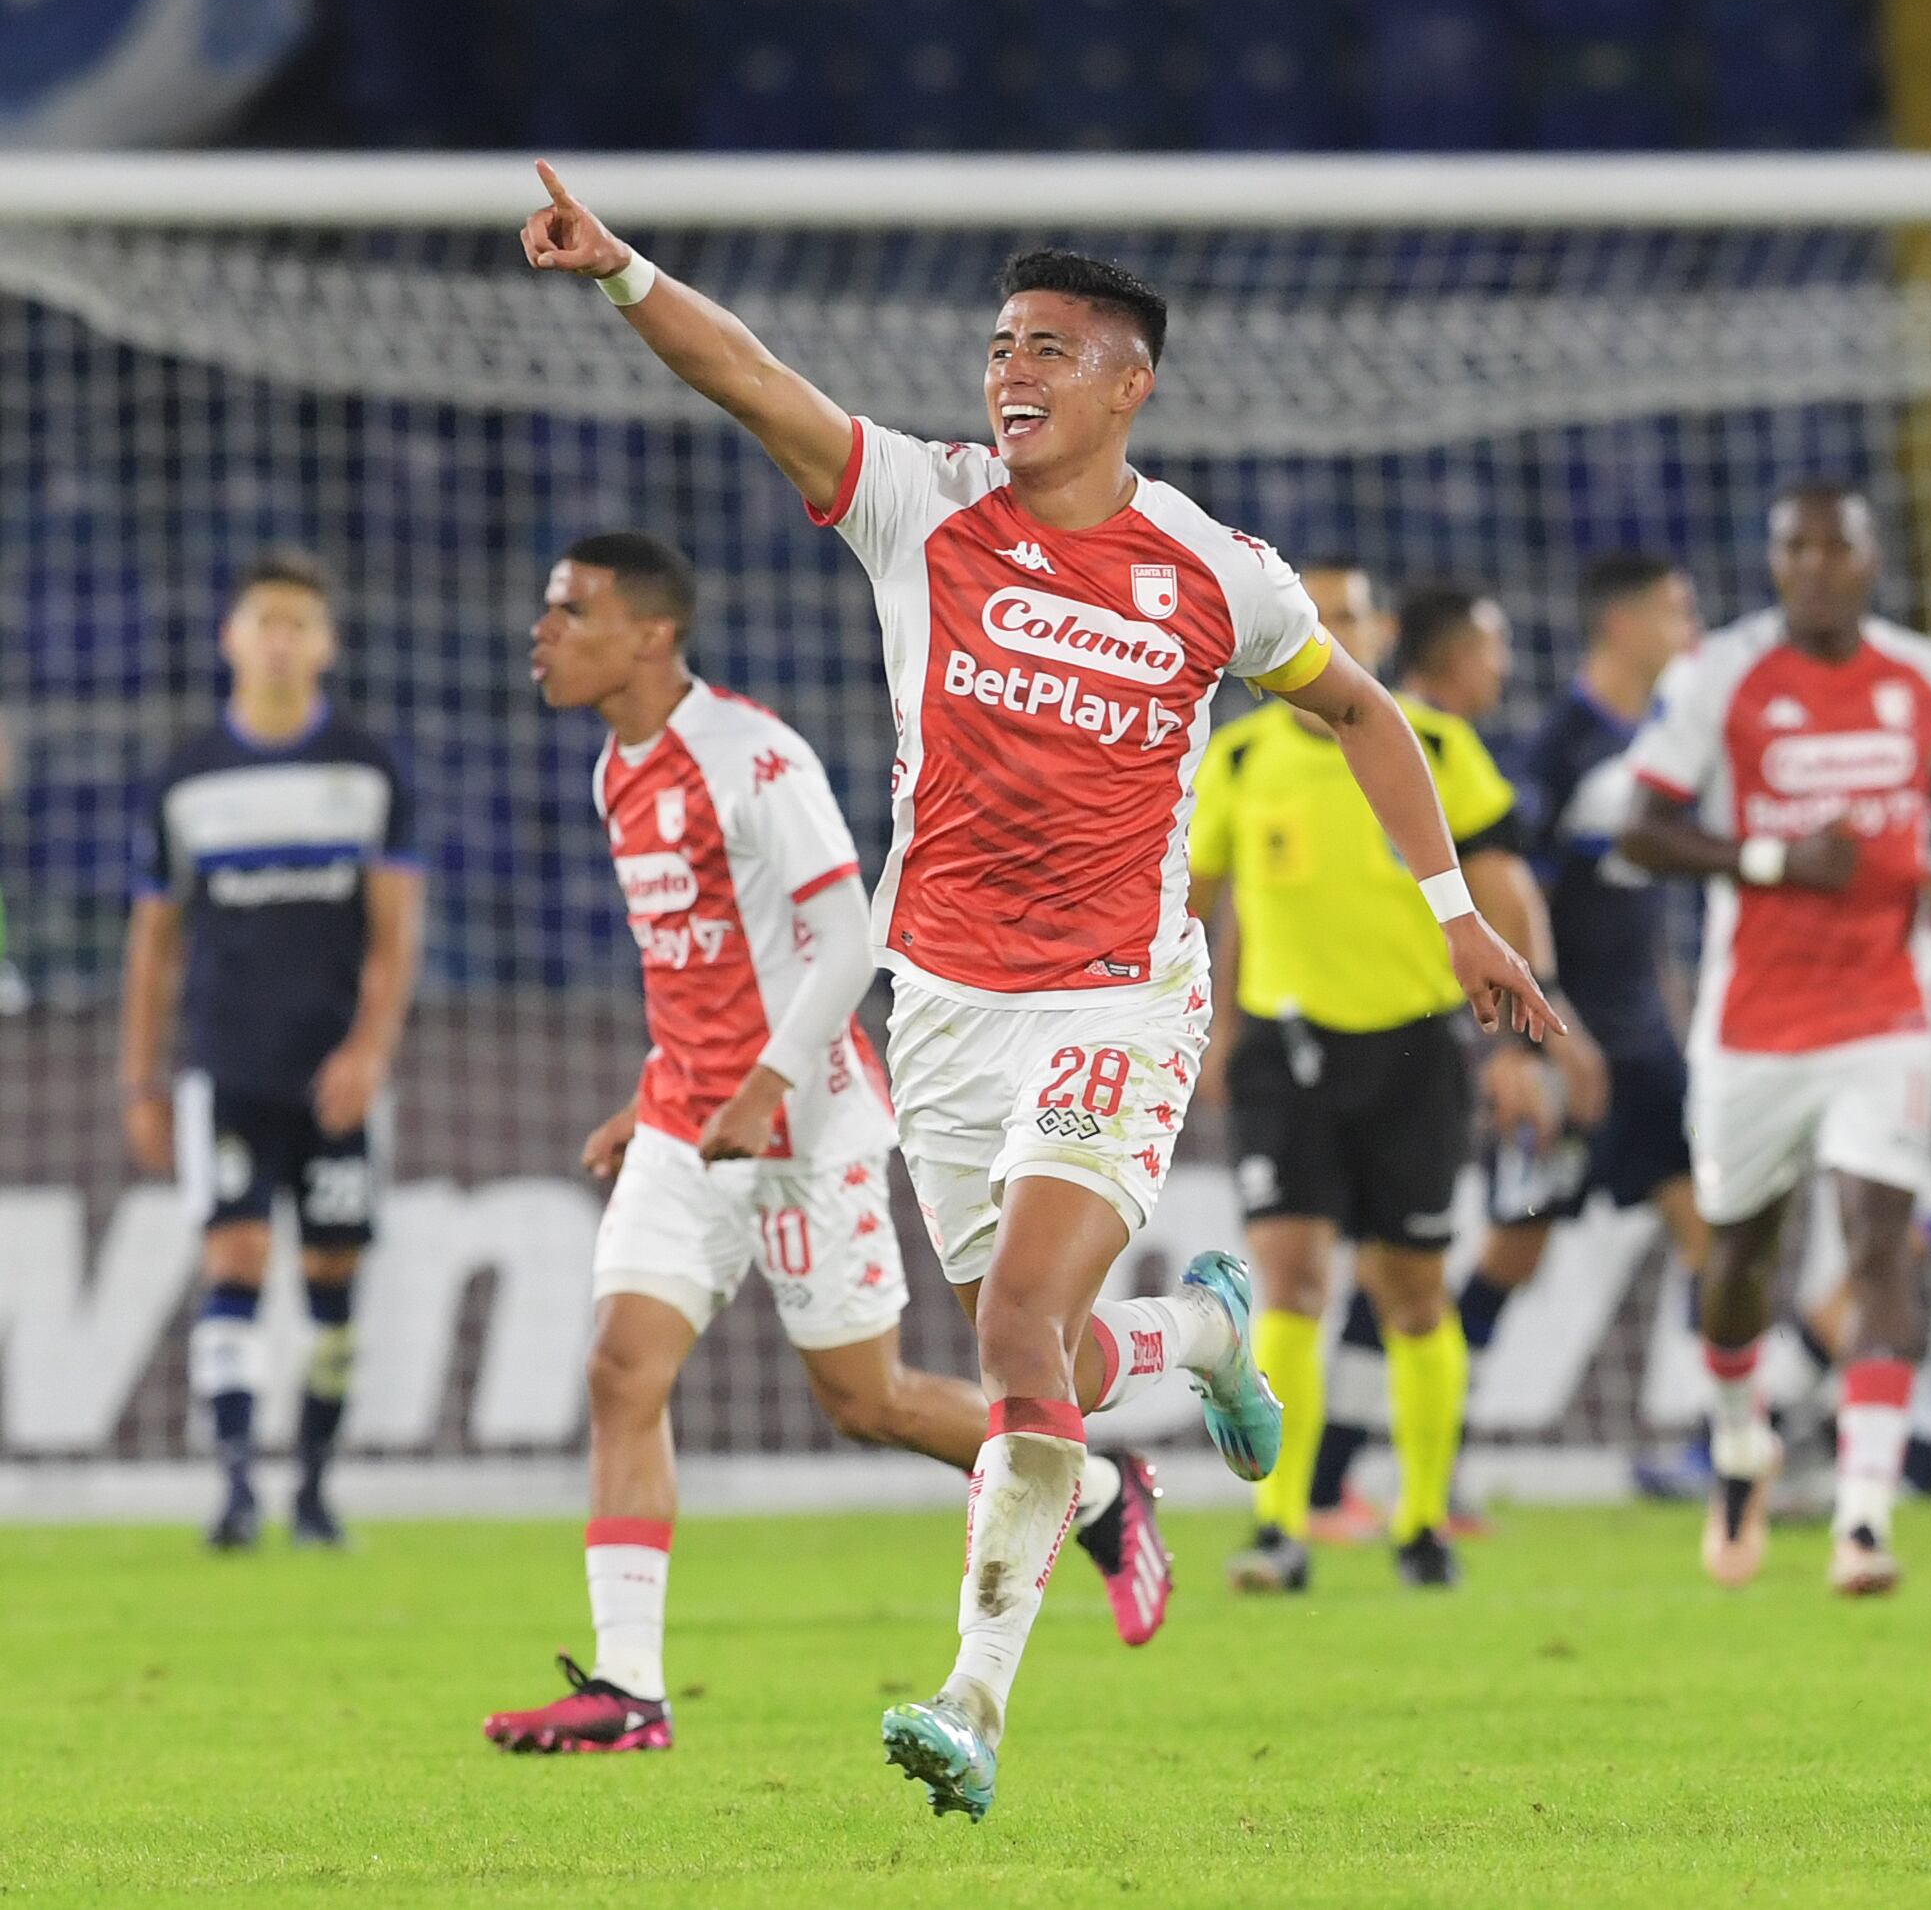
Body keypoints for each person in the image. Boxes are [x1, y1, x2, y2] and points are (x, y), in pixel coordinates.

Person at [522, 166, 1555, 1822]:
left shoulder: (1217, 571)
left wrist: (1453, 911)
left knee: (1009, 1335)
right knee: (1055, 1351)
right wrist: (619, 271)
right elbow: (750, 379)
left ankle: (975, 1698)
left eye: (1053, 348)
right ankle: (1208, 1327)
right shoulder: (919, 507)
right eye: (1003, 342)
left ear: (1129, 381)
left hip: (1119, 996)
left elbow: (1362, 714)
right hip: (938, 1004)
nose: (1011, 371)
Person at [481, 534, 1182, 1755]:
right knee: (619, 1368)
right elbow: (694, 960)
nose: (543, 631)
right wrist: (660, 1088)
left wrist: (763, 1086)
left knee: (869, 1402)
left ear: (650, 633)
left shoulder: (752, 758)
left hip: (805, 1129)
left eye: (570, 608)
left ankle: (1106, 1492)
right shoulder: (615, 772)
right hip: (690, 1124)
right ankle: (630, 1688)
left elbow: (848, 942)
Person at [1619, 483, 1931, 1596]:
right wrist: (1774, 863)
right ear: (1773, 562)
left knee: (1881, 1244)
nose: (1816, 564)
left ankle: (1864, 1519)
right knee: (1740, 1259)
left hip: (1884, 1014)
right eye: (1796, 547)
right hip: (1754, 1025)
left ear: (1874, 561)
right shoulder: (1719, 677)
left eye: (1838, 546)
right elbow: (1641, 830)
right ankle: (1741, 1438)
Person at [1195, 570, 1590, 1593]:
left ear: (1373, 634)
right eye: (1310, 612)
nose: (1329, 629)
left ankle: (1421, 1521)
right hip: (1287, 1055)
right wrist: (1201, 1030)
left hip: (1415, 1052)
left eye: (1349, 615)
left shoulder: (1436, 746)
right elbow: (1194, 905)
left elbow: (1504, 880)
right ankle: (1279, 1526)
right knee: (1289, 1281)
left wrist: (1521, 1036)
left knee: (1413, 1293)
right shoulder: (1237, 759)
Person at [118, 550, 423, 1552]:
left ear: (327, 643)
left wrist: (370, 1049)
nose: (282, 639)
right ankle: (240, 1488)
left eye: (300, 622)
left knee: (334, 1278)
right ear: (232, 638)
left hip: (334, 1070)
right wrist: (142, 1078)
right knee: (234, 1253)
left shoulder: (369, 769)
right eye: (265, 621)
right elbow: (154, 942)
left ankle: (317, 1488)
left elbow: (394, 933)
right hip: (226, 1063)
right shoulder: (188, 777)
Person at [1469, 553, 1713, 1430]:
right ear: (1622, 623)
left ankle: (1725, 1450)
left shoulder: (1667, 742)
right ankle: (1438, 1466)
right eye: (1675, 609)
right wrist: (1525, 1044)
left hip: (1643, 1048)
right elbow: (1506, 902)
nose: (1690, 628)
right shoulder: (1558, 748)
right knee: (1515, 1250)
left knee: (1713, 1238)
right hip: (1566, 1048)